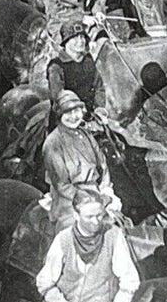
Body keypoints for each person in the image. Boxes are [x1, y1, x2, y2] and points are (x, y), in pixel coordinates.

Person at [42, 90, 118, 228]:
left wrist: (105, 189)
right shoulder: (53, 143)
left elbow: (102, 166)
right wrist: (90, 200)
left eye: (76, 111)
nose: (73, 117)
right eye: (68, 112)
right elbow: (62, 186)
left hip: (96, 194)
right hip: (69, 201)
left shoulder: (86, 134)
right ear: (60, 115)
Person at [47, 22, 99, 124]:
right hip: (68, 117)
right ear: (66, 42)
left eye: (82, 37)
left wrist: (98, 109)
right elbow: (58, 98)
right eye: (75, 38)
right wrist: (79, 115)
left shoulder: (88, 60)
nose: (80, 41)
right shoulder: (56, 66)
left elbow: (99, 87)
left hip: (91, 116)